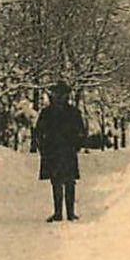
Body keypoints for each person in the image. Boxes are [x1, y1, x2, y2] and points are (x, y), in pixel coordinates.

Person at [35, 82, 86, 223]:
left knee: (69, 182)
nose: (59, 97)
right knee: (56, 182)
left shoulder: (73, 112)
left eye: (62, 94)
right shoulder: (46, 113)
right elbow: (38, 132)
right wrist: (43, 147)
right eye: (57, 94)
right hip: (52, 151)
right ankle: (58, 213)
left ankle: (70, 213)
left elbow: (81, 131)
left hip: (67, 150)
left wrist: (76, 145)